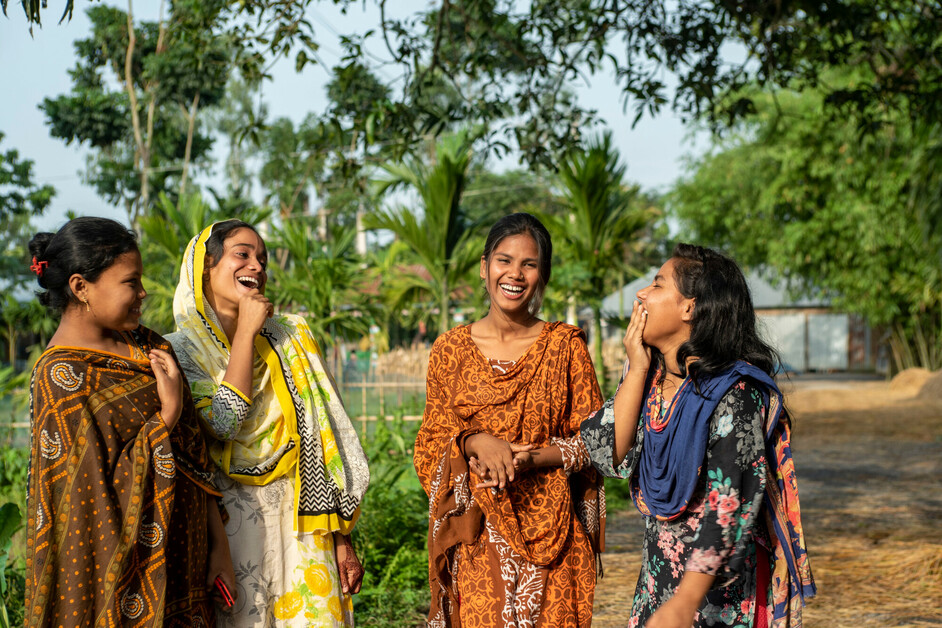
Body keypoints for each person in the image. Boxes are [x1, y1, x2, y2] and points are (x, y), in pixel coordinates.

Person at [580, 244, 815, 628]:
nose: (641, 294)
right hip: (659, 585)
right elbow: (605, 452)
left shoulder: (734, 394)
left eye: (656, 284)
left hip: (716, 595)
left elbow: (729, 507)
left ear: (689, 307)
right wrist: (636, 369)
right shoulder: (651, 380)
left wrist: (684, 602)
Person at [24, 217, 230, 627]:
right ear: (81, 287)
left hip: (186, 569)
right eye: (130, 283)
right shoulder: (62, 377)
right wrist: (165, 417)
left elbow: (194, 459)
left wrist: (219, 548)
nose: (143, 293)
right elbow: (85, 503)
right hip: (117, 586)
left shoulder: (149, 346)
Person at [166, 220, 370, 627]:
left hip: (305, 523)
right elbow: (222, 422)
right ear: (205, 266)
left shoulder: (290, 336)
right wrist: (246, 332)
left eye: (262, 258)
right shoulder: (176, 351)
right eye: (242, 254)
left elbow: (324, 437)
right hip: (228, 528)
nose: (256, 266)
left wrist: (342, 539)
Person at [414, 212, 605, 627]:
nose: (514, 274)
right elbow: (430, 445)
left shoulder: (565, 347)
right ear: (484, 268)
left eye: (529, 264)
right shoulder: (450, 350)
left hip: (555, 539)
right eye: (504, 260)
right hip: (477, 539)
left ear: (543, 276)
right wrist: (472, 442)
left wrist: (533, 459)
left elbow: (597, 442)